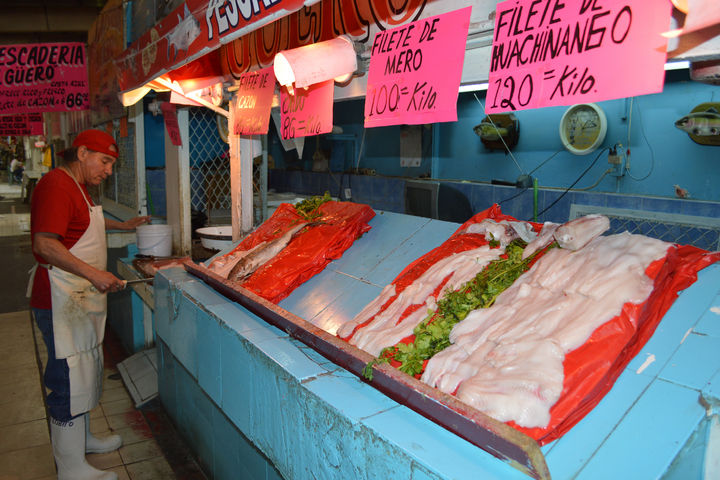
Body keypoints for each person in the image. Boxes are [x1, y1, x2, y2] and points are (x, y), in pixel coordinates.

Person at [28, 129, 151, 480]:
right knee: (67, 377)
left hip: (77, 297)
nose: (109, 171)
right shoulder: (56, 184)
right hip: (59, 298)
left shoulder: (77, 186)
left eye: (112, 164)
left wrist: (122, 225)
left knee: (83, 370)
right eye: (105, 162)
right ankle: (69, 466)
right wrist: (94, 274)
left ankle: (80, 440)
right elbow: (45, 244)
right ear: (82, 153)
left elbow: (84, 219)